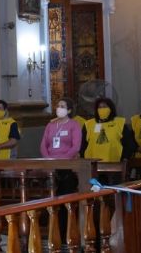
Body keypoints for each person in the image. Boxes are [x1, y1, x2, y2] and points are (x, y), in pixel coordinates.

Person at [39, 98, 83, 240]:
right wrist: (49, 160)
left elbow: (75, 147)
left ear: (69, 110)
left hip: (66, 167)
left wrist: (62, 161)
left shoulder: (74, 125)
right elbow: (43, 145)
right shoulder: (51, 125)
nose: (59, 108)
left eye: (62, 106)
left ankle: (66, 234)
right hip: (51, 166)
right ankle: (52, 232)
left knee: (66, 200)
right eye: (58, 106)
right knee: (51, 201)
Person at [83, 97, 135, 164]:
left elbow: (129, 143)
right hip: (92, 164)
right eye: (99, 107)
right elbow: (83, 145)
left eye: (104, 107)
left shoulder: (119, 123)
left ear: (111, 108)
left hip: (114, 163)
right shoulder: (89, 124)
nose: (102, 109)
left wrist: (125, 157)